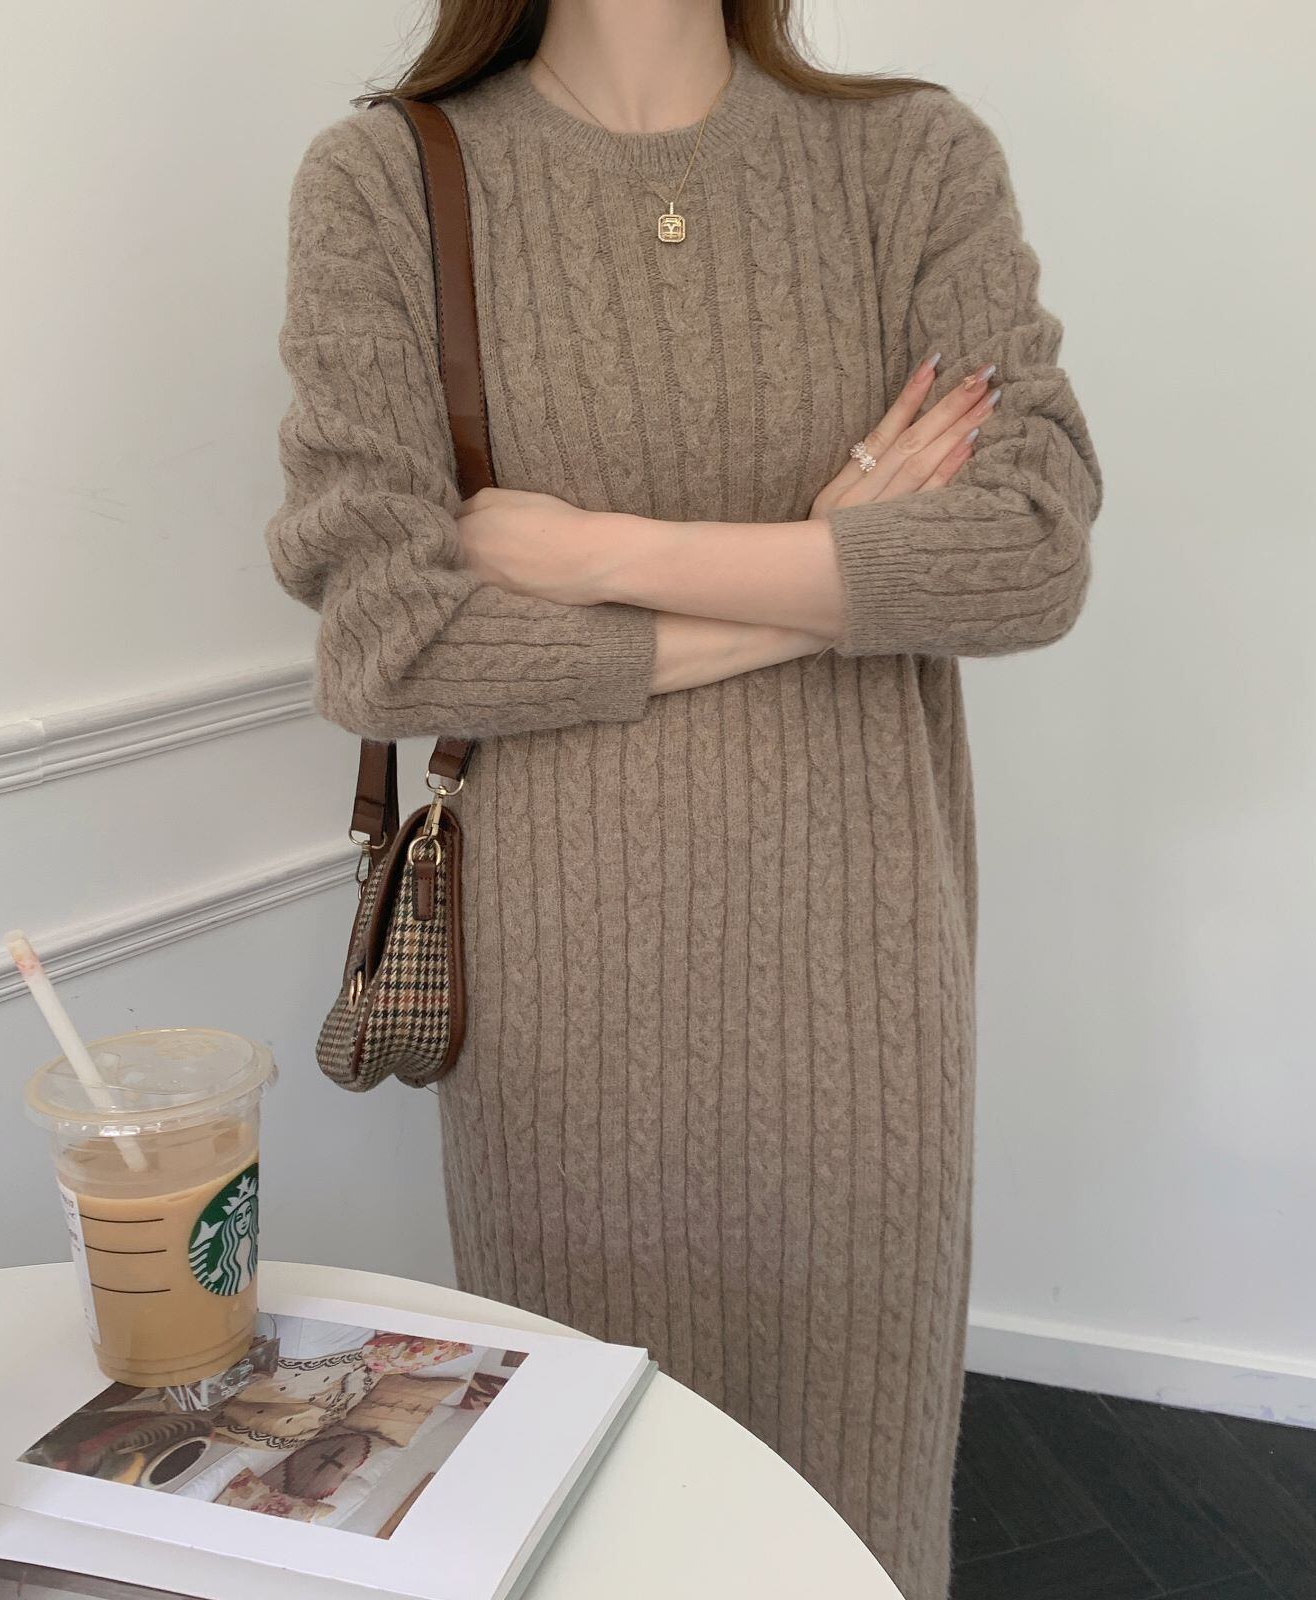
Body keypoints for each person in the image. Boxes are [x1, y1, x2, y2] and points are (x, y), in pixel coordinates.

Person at [265, 2, 1103, 1592]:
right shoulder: (385, 182)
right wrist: (832, 563)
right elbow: (393, 641)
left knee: (852, 1521)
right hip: (562, 1000)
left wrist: (595, 553)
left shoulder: (912, 156)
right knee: (591, 1517)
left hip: (863, 985)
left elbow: (1027, 551)